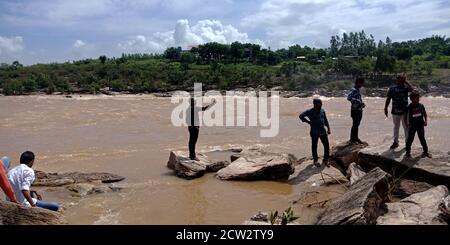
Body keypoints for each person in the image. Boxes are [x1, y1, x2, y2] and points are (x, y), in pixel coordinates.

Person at [299, 98, 331, 167]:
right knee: (314, 146)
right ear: (315, 104)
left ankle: (326, 159)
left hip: (323, 131)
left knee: (326, 145)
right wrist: (308, 122)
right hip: (314, 132)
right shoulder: (310, 111)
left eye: (321, 103)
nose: (321, 105)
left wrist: (328, 128)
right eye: (320, 103)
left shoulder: (322, 111)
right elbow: (301, 116)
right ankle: (315, 160)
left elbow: (325, 120)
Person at [384, 75, 414, 149]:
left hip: (405, 112)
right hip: (395, 111)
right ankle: (395, 142)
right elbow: (388, 98)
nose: (400, 82)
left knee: (406, 127)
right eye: (399, 80)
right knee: (396, 127)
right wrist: (385, 107)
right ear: (396, 80)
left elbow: (412, 90)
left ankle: (407, 143)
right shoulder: (392, 88)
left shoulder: (405, 88)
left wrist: (406, 81)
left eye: (402, 80)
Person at [405, 91, 429, 157]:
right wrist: (407, 124)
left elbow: (424, 114)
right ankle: (407, 153)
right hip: (412, 125)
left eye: (419, 98)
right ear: (412, 99)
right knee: (410, 139)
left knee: (422, 138)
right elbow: (406, 117)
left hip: (420, 125)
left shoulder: (421, 105)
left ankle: (425, 152)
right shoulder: (409, 107)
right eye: (417, 98)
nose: (418, 99)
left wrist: (426, 121)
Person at [347, 77, 366, 143]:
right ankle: (352, 139)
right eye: (361, 83)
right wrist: (360, 102)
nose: (362, 85)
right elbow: (349, 98)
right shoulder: (354, 90)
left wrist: (361, 104)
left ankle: (356, 138)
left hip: (358, 109)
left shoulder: (357, 90)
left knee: (357, 124)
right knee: (355, 124)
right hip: (355, 110)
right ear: (358, 83)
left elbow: (355, 98)